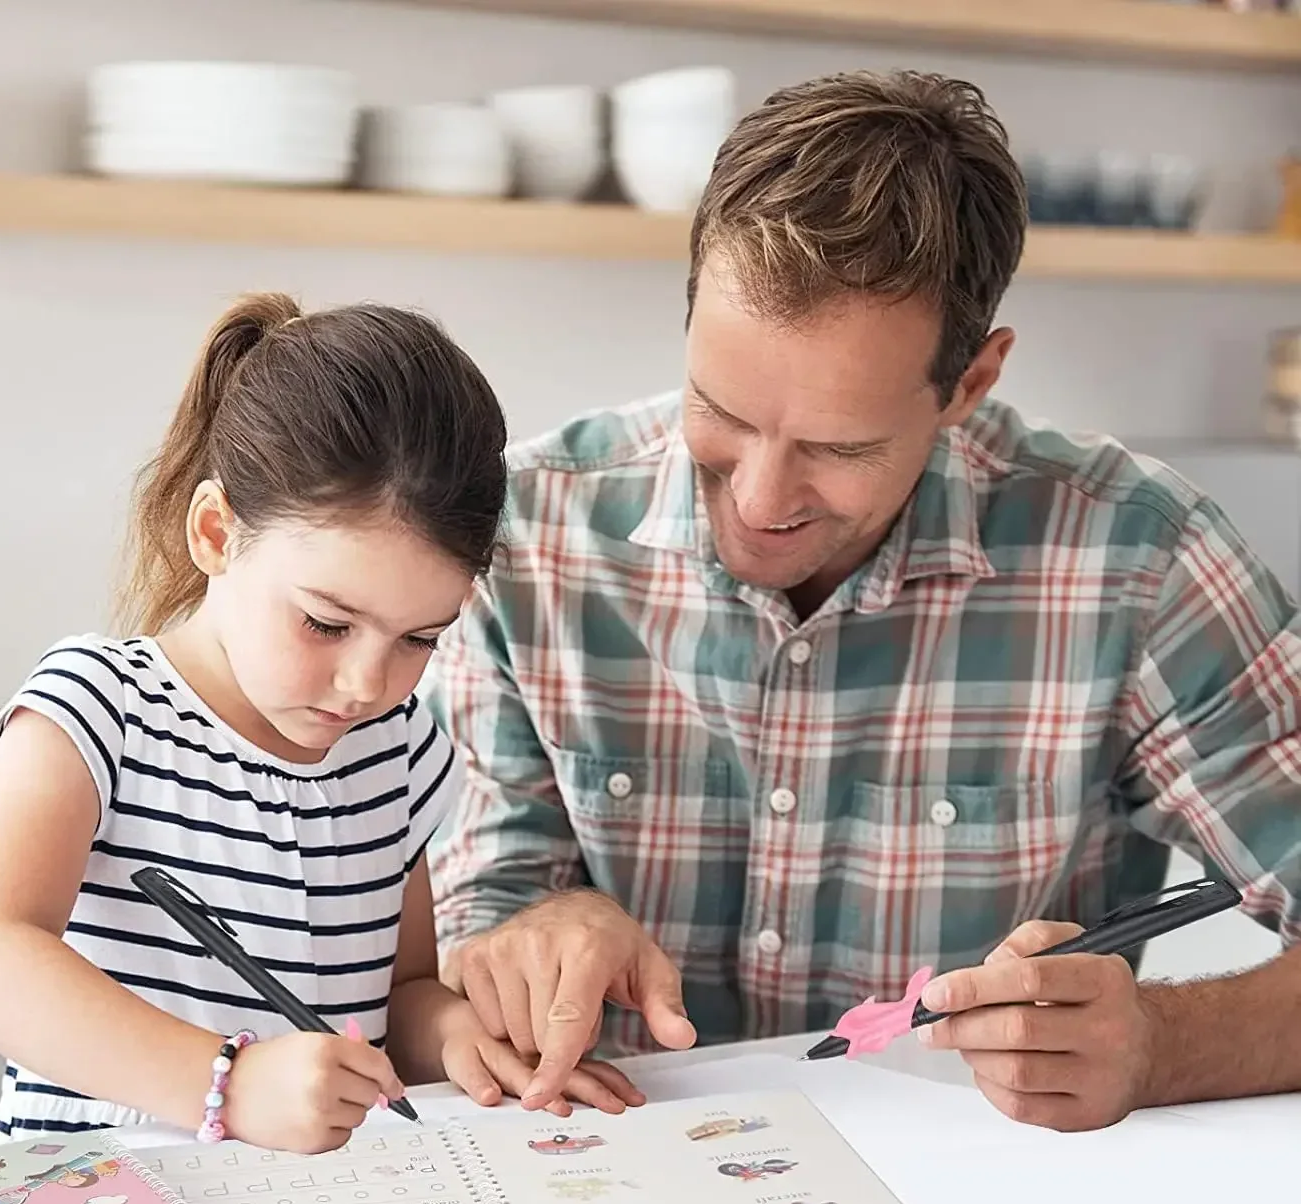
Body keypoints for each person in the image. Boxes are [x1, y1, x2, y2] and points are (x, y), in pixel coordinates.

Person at [426, 71, 1301, 1133]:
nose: (757, 497)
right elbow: (476, 909)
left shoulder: (1138, 561)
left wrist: (1166, 1044)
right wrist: (531, 929)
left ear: (971, 383)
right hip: (615, 1182)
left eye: (840, 448)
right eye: (721, 411)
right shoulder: (529, 536)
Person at [0, 292, 641, 1154]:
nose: (364, 683)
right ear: (215, 533)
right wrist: (225, 1087)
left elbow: (402, 991)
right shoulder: (95, 712)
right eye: (325, 623)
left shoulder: (398, 754)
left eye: (420, 638)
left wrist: (461, 1041)